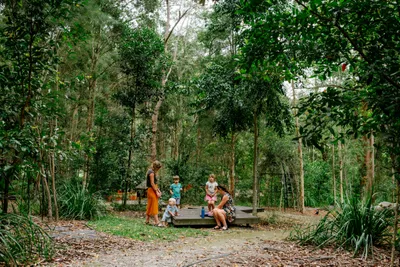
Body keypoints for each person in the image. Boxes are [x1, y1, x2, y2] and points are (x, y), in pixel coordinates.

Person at [145, 160, 162, 225]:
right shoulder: (151, 173)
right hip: (151, 190)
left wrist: (159, 190)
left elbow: (155, 184)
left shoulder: (150, 171)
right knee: (154, 205)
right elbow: (152, 183)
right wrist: (156, 192)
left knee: (150, 205)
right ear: (156, 167)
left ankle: (147, 220)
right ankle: (157, 222)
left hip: (152, 189)